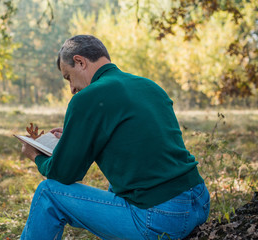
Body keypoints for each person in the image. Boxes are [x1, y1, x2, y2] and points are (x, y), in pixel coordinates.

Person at [19, 35, 210, 240]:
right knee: (115, 188)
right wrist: (77, 135)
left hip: (162, 219)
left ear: (80, 62)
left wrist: (36, 155)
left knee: (48, 193)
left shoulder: (87, 97)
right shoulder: (148, 86)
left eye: (68, 77)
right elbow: (136, 139)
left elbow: (63, 174)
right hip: (199, 202)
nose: (72, 88)